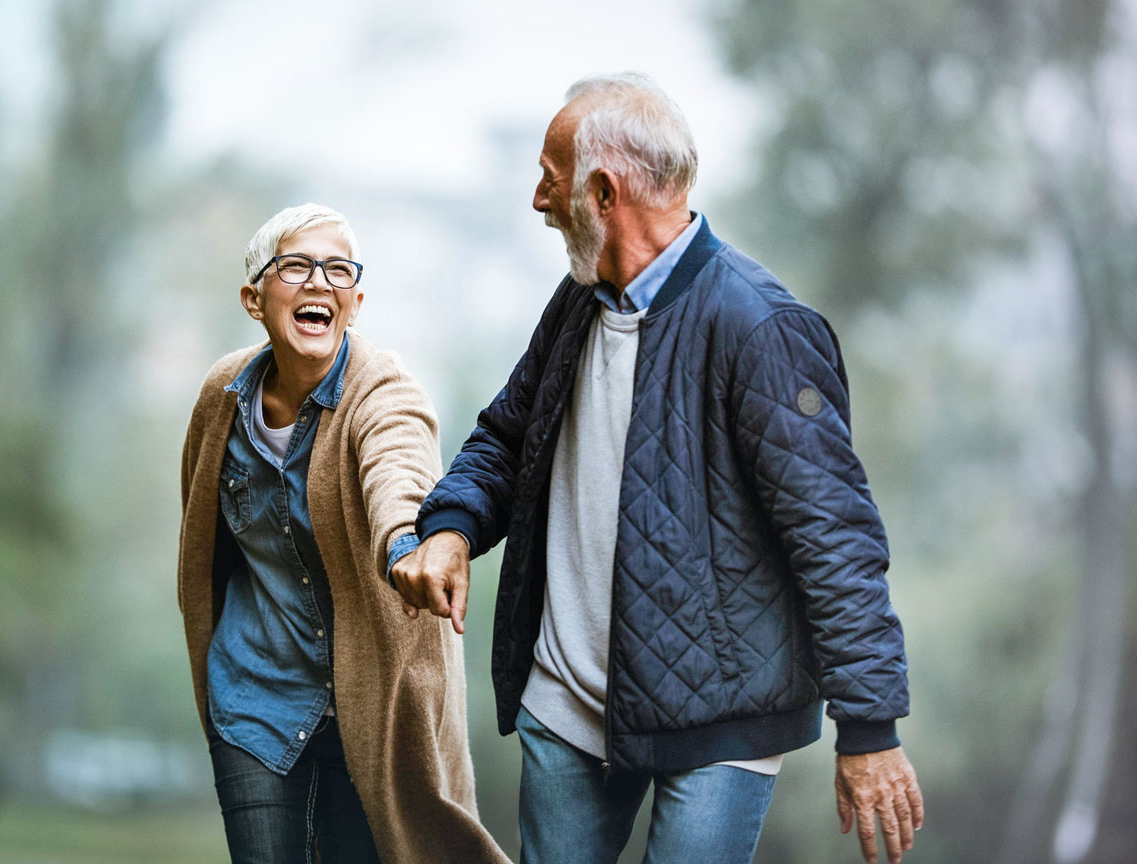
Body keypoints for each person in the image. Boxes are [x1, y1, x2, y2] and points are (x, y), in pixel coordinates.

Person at [392, 73, 925, 864]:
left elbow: (834, 538)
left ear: (602, 191)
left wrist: (870, 729)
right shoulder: (577, 302)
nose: (539, 201)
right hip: (566, 707)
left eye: (549, 177)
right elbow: (507, 437)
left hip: (720, 721)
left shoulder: (761, 327)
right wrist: (450, 527)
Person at [177, 204, 509, 864]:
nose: (318, 282)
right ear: (254, 298)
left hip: (370, 710)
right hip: (254, 696)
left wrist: (407, 547)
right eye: (296, 266)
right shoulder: (222, 398)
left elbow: (399, 471)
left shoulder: (382, 391)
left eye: (337, 270)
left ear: (355, 302)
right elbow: (201, 536)